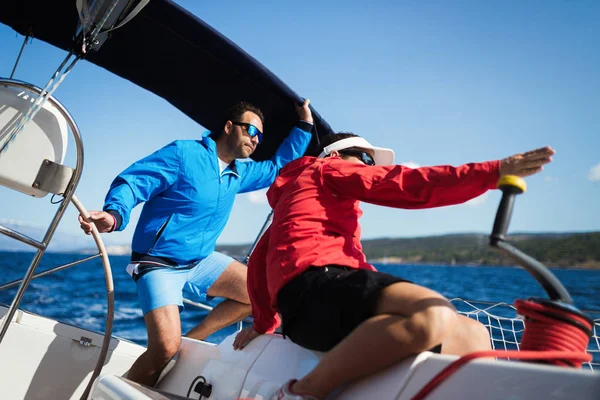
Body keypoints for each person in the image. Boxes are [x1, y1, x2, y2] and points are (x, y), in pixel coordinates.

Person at [233, 132, 555, 400]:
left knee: (475, 333)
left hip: (309, 313)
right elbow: (407, 184)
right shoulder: (324, 169)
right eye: (365, 159)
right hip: (319, 291)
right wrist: (491, 172)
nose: (368, 168)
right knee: (432, 313)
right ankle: (301, 392)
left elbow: (261, 264)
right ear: (337, 156)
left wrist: (264, 324)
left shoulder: (295, 205)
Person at [78, 100, 314, 386]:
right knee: (163, 348)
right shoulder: (183, 153)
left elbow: (279, 166)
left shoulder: (238, 173)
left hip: (201, 261)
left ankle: (191, 340)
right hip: (158, 263)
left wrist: (304, 125)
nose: (255, 138)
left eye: (260, 136)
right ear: (229, 127)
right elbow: (134, 182)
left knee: (262, 294)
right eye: (251, 129)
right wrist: (115, 214)